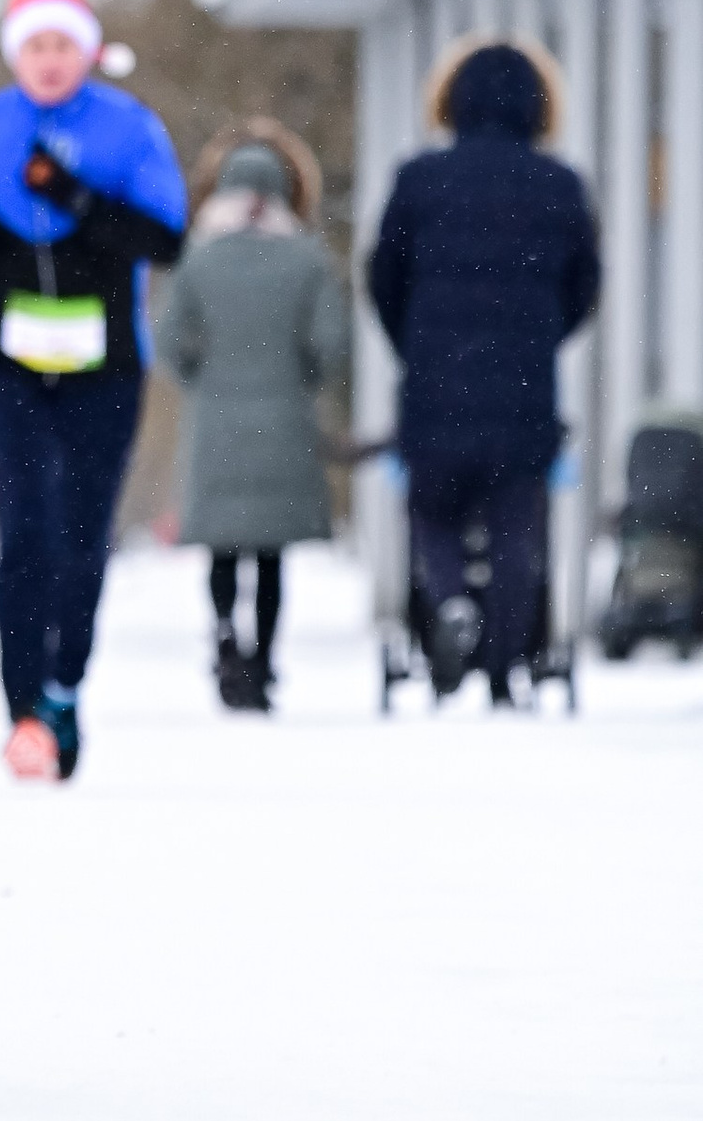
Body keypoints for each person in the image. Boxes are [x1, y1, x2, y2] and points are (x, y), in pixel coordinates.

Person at [0, 0, 186, 778]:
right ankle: (21, 708)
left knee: (81, 530)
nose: (48, 61)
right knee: (25, 527)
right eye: (34, 47)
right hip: (10, 355)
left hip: (105, 358)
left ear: (86, 53)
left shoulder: (127, 127)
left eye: (62, 47)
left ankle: (65, 687)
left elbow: (165, 238)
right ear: (15, 56)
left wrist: (71, 197)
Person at [367, 35, 598, 703]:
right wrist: (543, 336)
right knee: (514, 525)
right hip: (524, 381)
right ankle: (503, 672)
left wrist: (414, 341)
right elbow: (584, 285)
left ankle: (448, 607)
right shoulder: (560, 184)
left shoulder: (418, 179)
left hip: (436, 376)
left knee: (433, 512)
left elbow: (385, 276)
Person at [155, 120, 347, 710]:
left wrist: (202, 380)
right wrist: (299, 381)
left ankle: (223, 642)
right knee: (269, 553)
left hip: (215, 419)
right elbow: (332, 346)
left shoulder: (198, 259)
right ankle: (262, 662)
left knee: (221, 547)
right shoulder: (309, 260)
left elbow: (165, 340)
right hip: (285, 420)